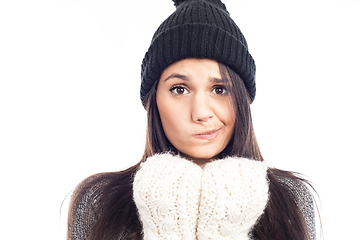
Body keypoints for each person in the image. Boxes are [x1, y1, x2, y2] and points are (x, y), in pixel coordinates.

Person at [67, 0, 317, 239]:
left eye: (220, 89)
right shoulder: (99, 200)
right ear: (153, 101)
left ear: (242, 100)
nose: (200, 113)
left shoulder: (290, 198)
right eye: (179, 89)